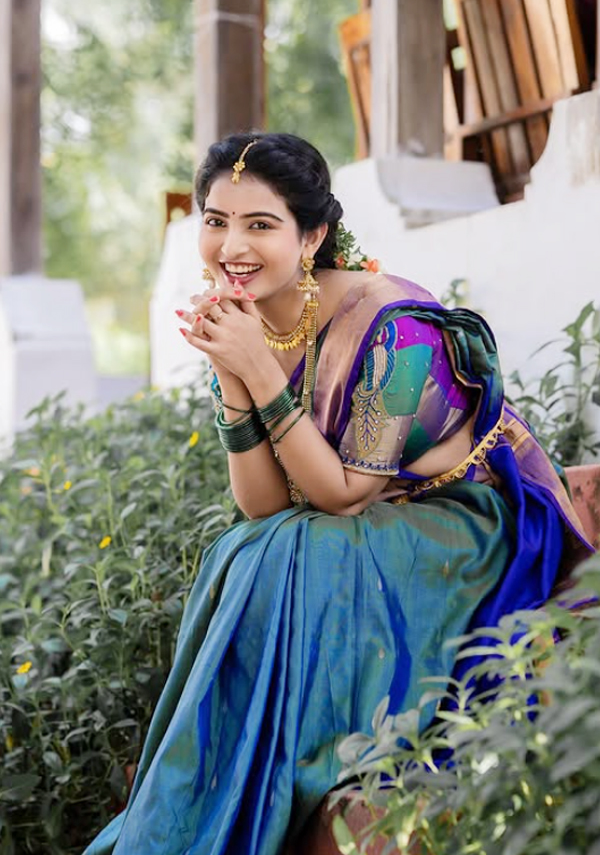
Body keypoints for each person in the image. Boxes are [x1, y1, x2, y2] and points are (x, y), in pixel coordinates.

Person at [84, 132, 592, 855]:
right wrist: (234, 376)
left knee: (292, 551)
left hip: (463, 526)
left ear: (313, 234)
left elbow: (346, 496)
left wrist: (258, 372)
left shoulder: (401, 333)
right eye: (215, 219)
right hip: (365, 523)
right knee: (248, 547)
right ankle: (233, 778)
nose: (232, 245)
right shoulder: (247, 322)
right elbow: (260, 507)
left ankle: (273, 771)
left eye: (261, 225)